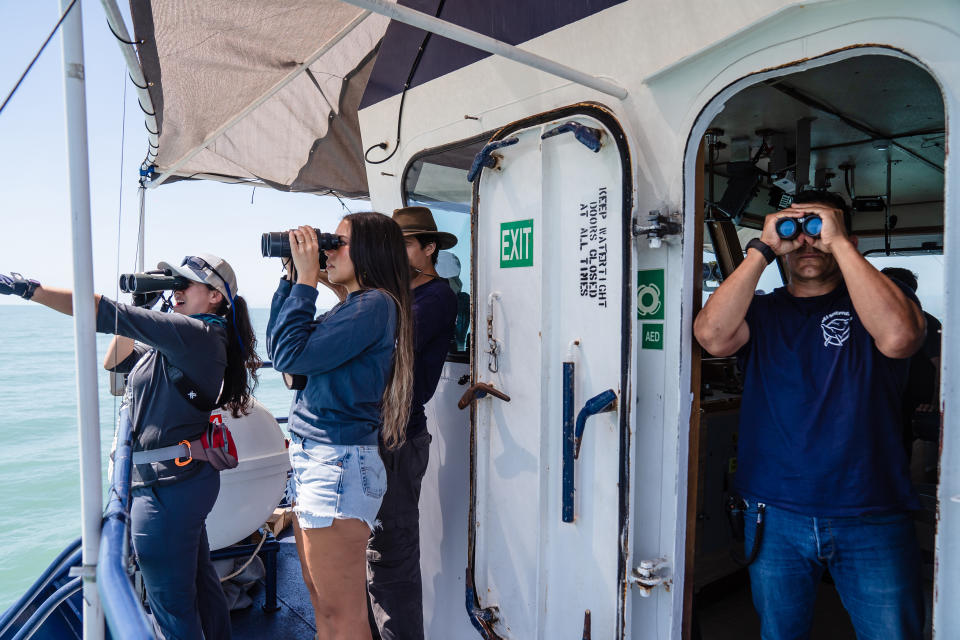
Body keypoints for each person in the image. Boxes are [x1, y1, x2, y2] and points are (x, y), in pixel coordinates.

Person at [693, 191, 927, 640]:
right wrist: (761, 250)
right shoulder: (763, 311)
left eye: (818, 230)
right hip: (775, 511)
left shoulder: (878, 304)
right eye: (794, 232)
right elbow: (712, 337)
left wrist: (838, 243)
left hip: (871, 510)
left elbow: (900, 338)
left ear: (847, 237)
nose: (806, 243)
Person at [1, 254, 260, 640]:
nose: (176, 291)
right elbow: (115, 361)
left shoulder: (196, 336)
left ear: (214, 297)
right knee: (201, 589)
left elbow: (100, 312)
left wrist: (28, 289)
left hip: (165, 490)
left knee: (172, 610)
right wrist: (142, 307)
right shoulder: (189, 339)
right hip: (183, 482)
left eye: (184, 284)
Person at [266, 213, 414, 640]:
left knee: (342, 616)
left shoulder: (374, 304)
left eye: (339, 242)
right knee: (324, 610)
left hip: (337, 465)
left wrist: (308, 281)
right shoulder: (349, 308)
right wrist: (292, 279)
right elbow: (281, 348)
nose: (329, 250)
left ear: (371, 250)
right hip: (322, 461)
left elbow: (293, 355)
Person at [366, 207, 459, 640]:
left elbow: (384, 343)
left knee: (391, 556)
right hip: (373, 435)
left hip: (399, 439)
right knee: (369, 552)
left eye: (403, 244)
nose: (396, 253)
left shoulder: (436, 297)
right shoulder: (390, 295)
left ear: (429, 248)